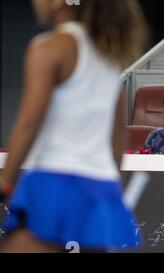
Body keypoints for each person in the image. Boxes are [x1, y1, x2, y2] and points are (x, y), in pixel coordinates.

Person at [0, 0, 148, 252]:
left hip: (54, 181)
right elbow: (116, 145)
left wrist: (5, 182)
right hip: (102, 191)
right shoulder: (110, 58)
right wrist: (105, 194)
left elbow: (28, 123)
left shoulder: (47, 47)